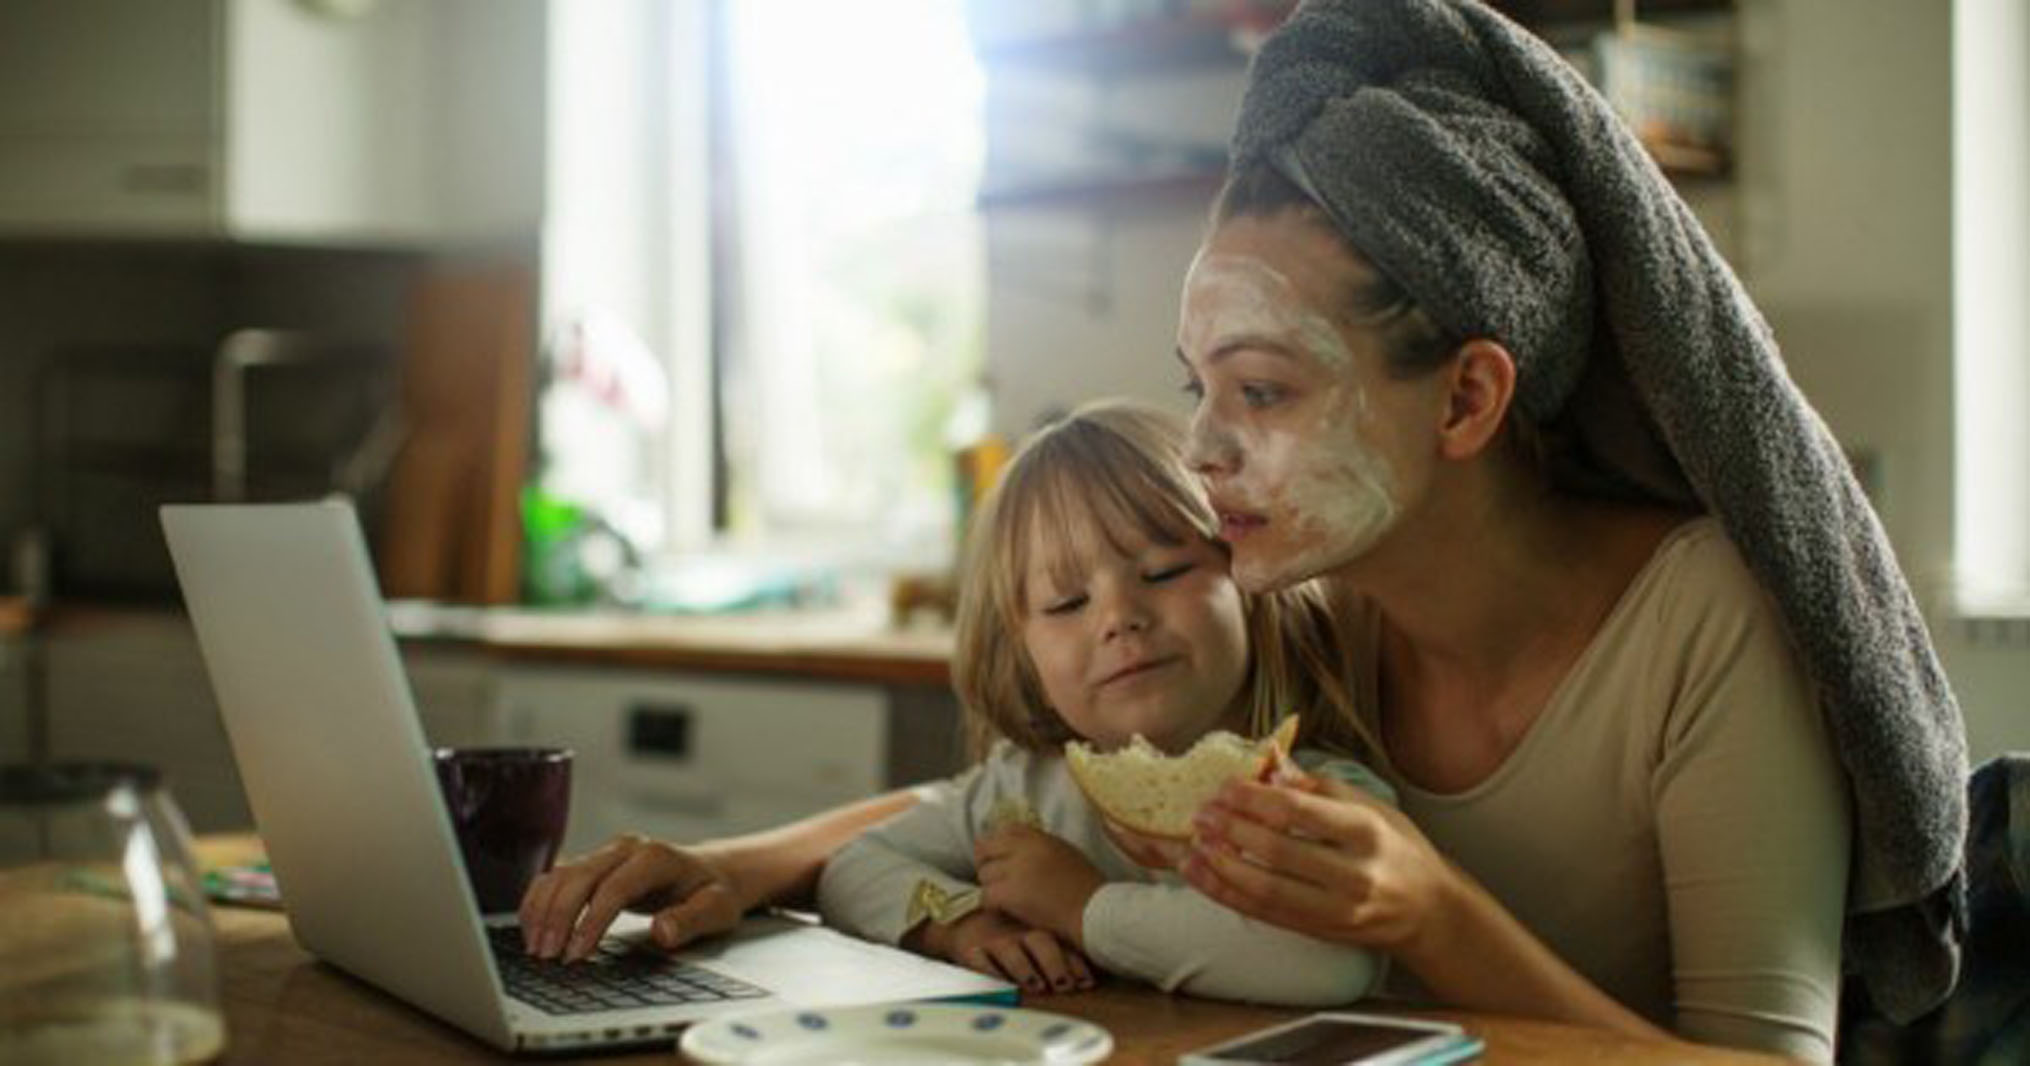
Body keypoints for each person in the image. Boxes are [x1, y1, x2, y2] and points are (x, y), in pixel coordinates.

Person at [523, 1, 1969, 1060]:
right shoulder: (1305, 600)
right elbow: (1023, 796)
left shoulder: (1700, 624)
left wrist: (1434, 916)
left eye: (1263, 391)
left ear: (1466, 396)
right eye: (1194, 388)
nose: (1203, 452)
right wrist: (743, 862)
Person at [814, 400, 1389, 1005]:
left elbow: (1326, 962)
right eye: (1067, 603)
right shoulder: (1023, 792)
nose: (1120, 618)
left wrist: (1082, 907)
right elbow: (854, 865)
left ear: (1248, 584)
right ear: (1022, 651)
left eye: (1165, 571)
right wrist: (959, 924)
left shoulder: (1311, 795)